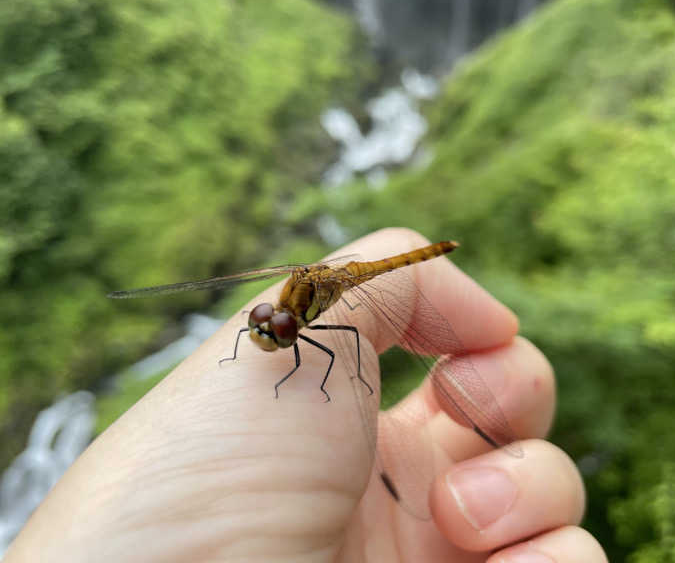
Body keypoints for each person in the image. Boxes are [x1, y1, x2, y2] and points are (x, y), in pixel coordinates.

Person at [5, 228, 607, 562]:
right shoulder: (277, 309)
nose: (266, 330)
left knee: (335, 353)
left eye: (274, 328)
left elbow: (325, 358)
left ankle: (446, 242)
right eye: (265, 323)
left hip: (386, 268)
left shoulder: (326, 317)